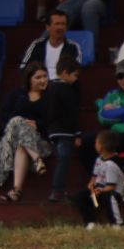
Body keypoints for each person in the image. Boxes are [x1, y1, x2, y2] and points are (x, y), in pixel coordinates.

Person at [0, 65, 51, 202]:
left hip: (38, 141)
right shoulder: (16, 94)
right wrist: (22, 124)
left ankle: (16, 190)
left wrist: (37, 125)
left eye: (45, 76)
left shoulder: (50, 97)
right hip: (11, 137)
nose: (42, 80)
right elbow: (4, 116)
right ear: (29, 79)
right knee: (17, 120)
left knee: (21, 146)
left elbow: (52, 121)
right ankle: (37, 159)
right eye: (38, 77)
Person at [43, 56, 85, 203]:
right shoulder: (66, 89)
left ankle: (58, 189)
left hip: (53, 130)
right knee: (64, 159)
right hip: (66, 130)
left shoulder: (49, 87)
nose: (76, 79)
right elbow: (73, 111)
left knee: (61, 158)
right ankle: (57, 190)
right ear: (65, 73)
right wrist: (77, 133)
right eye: (75, 76)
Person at [76, 130, 124, 229]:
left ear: (101, 147)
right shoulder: (99, 159)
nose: (94, 145)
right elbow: (94, 176)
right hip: (99, 190)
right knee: (81, 196)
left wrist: (100, 191)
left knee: (109, 197)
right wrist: (91, 184)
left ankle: (117, 223)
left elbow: (111, 186)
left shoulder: (111, 165)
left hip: (112, 192)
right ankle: (90, 222)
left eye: (96, 142)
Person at [18, 11, 83, 82]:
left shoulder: (73, 47)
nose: (60, 27)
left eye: (63, 24)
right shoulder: (37, 44)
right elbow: (23, 67)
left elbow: (75, 72)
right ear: (48, 27)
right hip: (39, 85)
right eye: (57, 24)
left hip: (62, 87)